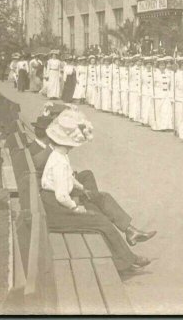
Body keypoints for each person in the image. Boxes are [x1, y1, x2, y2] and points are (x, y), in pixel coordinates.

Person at [40, 107, 156, 274]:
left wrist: (81, 187)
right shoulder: (58, 161)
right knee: (101, 221)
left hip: (58, 203)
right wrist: (75, 207)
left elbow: (68, 177)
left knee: (102, 198)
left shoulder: (60, 155)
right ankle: (128, 260)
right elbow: (61, 195)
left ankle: (130, 231)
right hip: (57, 211)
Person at [140, 56, 155, 126]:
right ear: (145, 65)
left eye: (150, 64)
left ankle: (150, 121)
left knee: (150, 106)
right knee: (145, 106)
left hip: (151, 91)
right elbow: (140, 83)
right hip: (145, 91)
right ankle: (144, 120)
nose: (149, 65)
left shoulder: (154, 72)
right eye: (147, 64)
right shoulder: (142, 72)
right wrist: (140, 92)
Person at [128, 55, 142, 122]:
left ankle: (138, 116)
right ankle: (132, 116)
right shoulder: (132, 69)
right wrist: (130, 87)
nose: (139, 62)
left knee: (138, 102)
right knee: (133, 102)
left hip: (140, 88)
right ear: (135, 61)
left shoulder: (143, 69)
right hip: (133, 88)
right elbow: (129, 79)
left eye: (140, 61)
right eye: (138, 61)